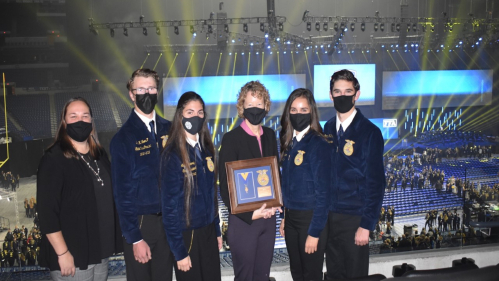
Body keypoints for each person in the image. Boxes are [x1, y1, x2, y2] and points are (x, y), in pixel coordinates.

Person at [37, 97, 123, 280]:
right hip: (73, 256)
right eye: (73, 116)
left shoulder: (99, 155)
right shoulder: (54, 159)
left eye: (85, 116)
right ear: (64, 121)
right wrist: (62, 253)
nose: (80, 120)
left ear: (92, 121)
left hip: (100, 252)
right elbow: (47, 213)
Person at [111, 68, 173, 281]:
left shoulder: (170, 129)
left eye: (151, 88)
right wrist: (135, 238)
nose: (147, 93)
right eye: (141, 89)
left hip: (168, 222)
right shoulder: (123, 139)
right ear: (131, 93)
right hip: (141, 224)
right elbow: (122, 193)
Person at [324, 69, 386, 279]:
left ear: (356, 94)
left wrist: (366, 225)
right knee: (334, 275)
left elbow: (376, 183)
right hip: (330, 218)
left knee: (355, 276)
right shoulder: (328, 127)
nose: (342, 96)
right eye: (337, 92)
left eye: (347, 91)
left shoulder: (370, 132)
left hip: (355, 220)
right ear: (331, 95)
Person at [219, 81, 281, 281]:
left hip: (268, 219)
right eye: (250, 105)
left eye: (259, 104)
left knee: (263, 276)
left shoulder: (271, 135)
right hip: (244, 221)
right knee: (245, 277)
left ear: (266, 106)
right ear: (242, 107)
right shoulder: (231, 139)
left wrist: (276, 204)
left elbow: (275, 177)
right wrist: (250, 214)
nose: (255, 109)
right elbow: (226, 187)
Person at [161, 92, 222, 281]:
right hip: (187, 236)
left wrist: (217, 231)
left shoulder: (207, 149)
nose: (195, 116)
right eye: (190, 112)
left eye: (200, 112)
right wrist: (179, 251)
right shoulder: (172, 155)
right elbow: (169, 209)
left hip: (209, 233)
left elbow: (212, 195)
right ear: (180, 115)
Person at [278, 88, 332, 280]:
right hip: (292, 220)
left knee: (311, 275)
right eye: (293, 110)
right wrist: (285, 216)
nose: (298, 114)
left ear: (312, 112)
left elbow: (324, 194)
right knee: (297, 273)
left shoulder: (318, 144)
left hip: (310, 221)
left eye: (303, 110)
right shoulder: (289, 144)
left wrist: (315, 232)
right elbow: (288, 186)